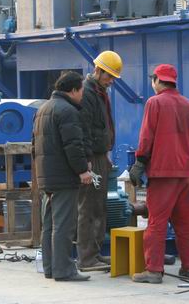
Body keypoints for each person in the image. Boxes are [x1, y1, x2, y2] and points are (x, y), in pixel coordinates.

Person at [129, 64, 189, 284]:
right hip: (185, 173)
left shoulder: (155, 103)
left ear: (157, 80)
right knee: (185, 223)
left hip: (163, 173)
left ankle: (153, 270)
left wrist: (140, 162)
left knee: (157, 222)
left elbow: (147, 136)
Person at [33, 71, 93, 282]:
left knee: (50, 224)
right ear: (74, 90)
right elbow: (73, 145)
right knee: (64, 225)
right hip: (63, 177)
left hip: (46, 176)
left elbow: (34, 145)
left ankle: (50, 268)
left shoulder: (43, 109)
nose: (82, 95)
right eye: (81, 90)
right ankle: (64, 270)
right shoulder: (68, 111)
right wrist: (82, 170)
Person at [77, 50, 123, 271]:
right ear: (98, 70)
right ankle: (86, 259)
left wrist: (104, 156)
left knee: (99, 207)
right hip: (92, 158)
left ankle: (94, 254)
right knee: (89, 207)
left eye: (113, 77)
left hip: (99, 156)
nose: (111, 80)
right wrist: (87, 161)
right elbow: (84, 129)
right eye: (109, 76)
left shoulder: (99, 92)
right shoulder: (87, 93)